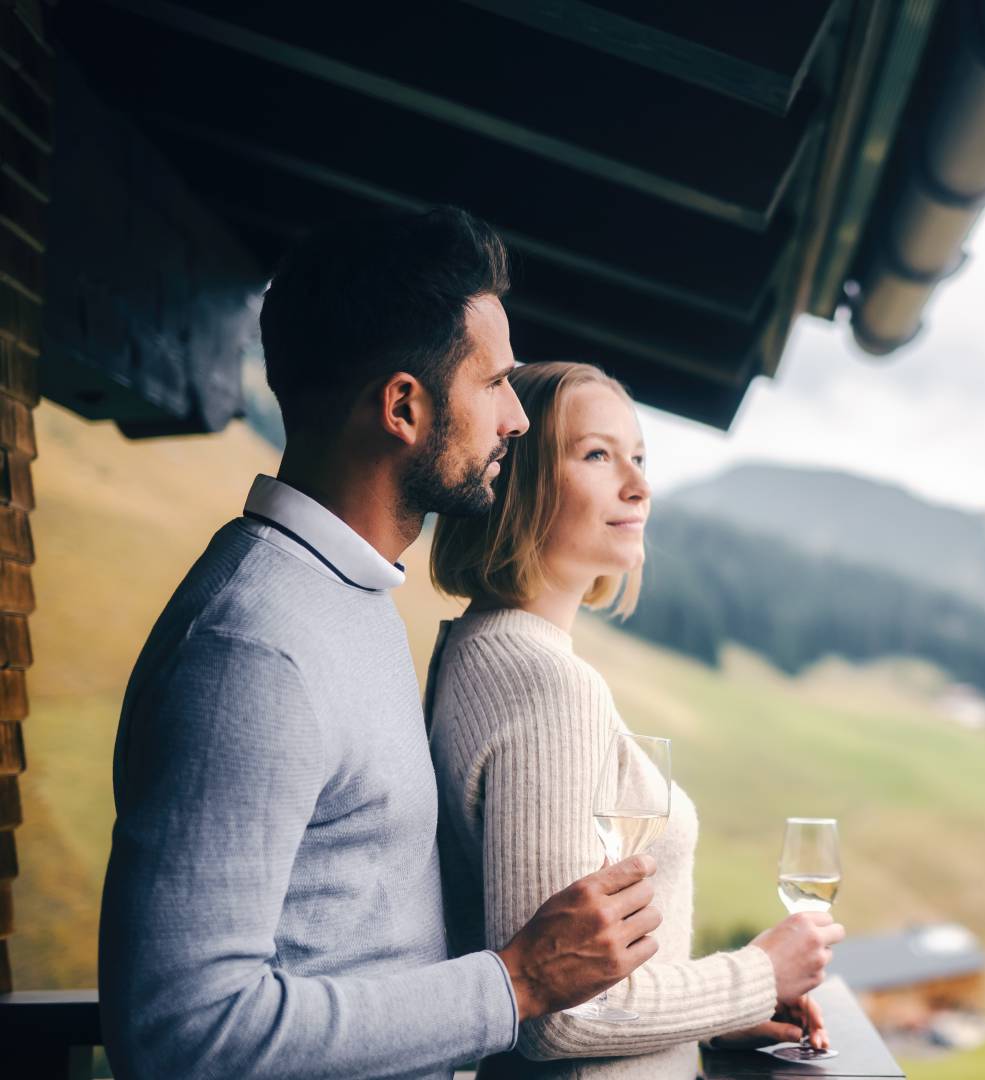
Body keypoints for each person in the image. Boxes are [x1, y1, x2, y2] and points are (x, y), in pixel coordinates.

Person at [99, 208, 664, 1079]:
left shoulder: (345, 599)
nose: (516, 418)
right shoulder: (256, 648)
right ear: (404, 407)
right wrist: (514, 984)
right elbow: (183, 1031)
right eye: (495, 385)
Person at [426, 361, 845, 1078]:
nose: (640, 486)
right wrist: (758, 973)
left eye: (640, 458)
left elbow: (579, 979)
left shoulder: (472, 647)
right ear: (522, 480)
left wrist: (714, 1013)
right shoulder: (548, 684)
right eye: (597, 454)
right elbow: (558, 1014)